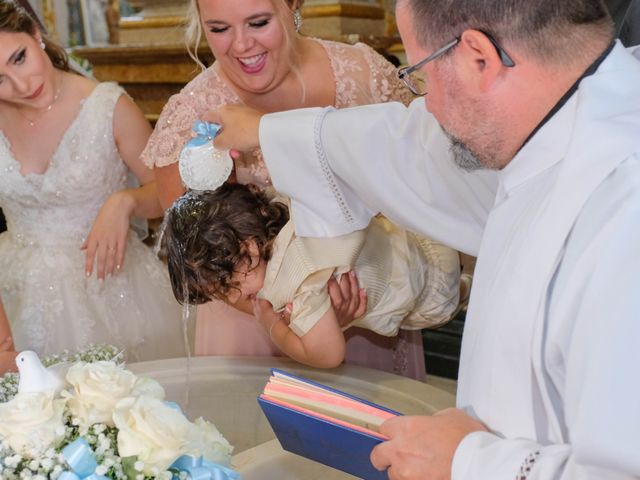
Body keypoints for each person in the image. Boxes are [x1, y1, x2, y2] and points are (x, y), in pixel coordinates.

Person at [211, 0, 640, 477]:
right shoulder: (561, 124)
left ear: (480, 57)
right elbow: (413, 149)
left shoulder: (623, 208)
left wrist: (467, 462)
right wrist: (271, 133)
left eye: (420, 75)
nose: (427, 103)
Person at [141, 0, 465, 379]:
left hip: (376, 304)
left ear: (293, 4)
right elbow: (203, 264)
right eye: (218, 29)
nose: (241, 45)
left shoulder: (365, 73)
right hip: (256, 330)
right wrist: (305, 310)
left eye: (258, 22)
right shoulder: (189, 120)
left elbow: (430, 174)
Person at [0, 0, 186, 363]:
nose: (21, 85)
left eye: (19, 58)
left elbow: (170, 191)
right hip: (13, 293)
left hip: (109, 289)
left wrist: (126, 202)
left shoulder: (108, 107)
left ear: (36, 35)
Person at [162, 184, 460, 368]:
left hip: (430, 296)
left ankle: (467, 289)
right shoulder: (293, 209)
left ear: (248, 250)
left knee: (468, 298)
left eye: (228, 288)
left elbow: (327, 355)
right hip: (421, 237)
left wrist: (272, 326)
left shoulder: (299, 288)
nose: (233, 299)